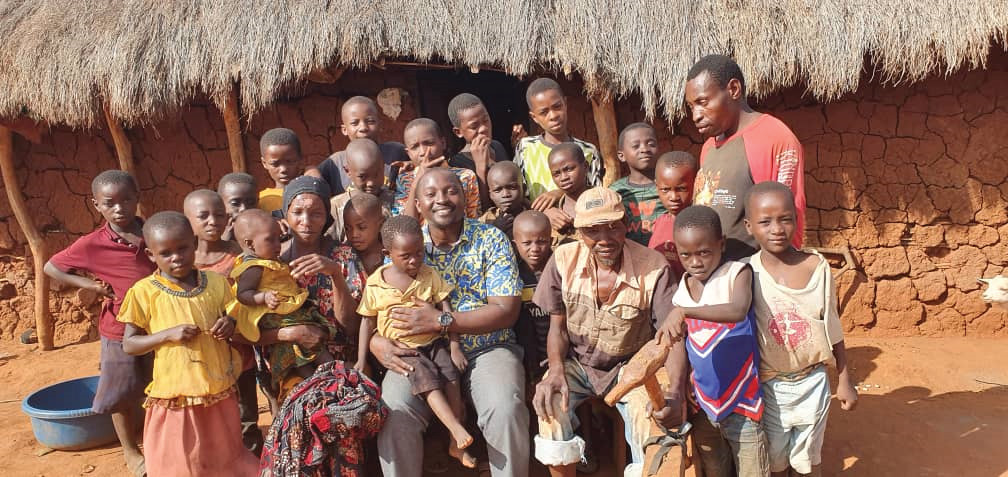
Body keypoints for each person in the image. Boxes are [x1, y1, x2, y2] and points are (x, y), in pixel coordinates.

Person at [370, 168, 529, 477]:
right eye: (430, 194)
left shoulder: (490, 239)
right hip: (419, 354)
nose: (441, 199)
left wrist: (442, 321)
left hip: (487, 347)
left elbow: (506, 310)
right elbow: (381, 307)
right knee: (394, 410)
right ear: (418, 204)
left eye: (451, 191)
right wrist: (377, 341)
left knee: (505, 409)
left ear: (466, 198)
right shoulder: (405, 244)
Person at [530, 186, 687, 477]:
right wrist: (554, 369)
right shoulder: (563, 260)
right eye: (593, 230)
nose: (605, 239)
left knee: (650, 417)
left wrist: (676, 392)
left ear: (626, 225)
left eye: (613, 227)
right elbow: (557, 327)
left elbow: (672, 338)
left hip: (632, 365)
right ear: (579, 231)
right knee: (550, 402)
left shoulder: (653, 267)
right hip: (578, 362)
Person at [117, 211, 259, 476]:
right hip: (176, 394)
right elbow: (129, 343)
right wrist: (166, 335)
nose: (176, 258)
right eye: (166, 253)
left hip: (217, 389)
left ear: (194, 243)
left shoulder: (216, 283)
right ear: (151, 255)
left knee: (223, 459)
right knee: (180, 463)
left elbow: (236, 319)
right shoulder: (144, 292)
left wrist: (229, 324)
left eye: (182, 248)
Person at [43, 170, 155, 477]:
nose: (119, 208)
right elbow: (51, 267)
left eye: (126, 200)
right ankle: (131, 453)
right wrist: (90, 286)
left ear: (137, 198)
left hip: (158, 328)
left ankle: (153, 442)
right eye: (110, 202)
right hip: (118, 330)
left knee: (155, 387)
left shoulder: (153, 232)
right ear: (96, 205)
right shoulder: (92, 244)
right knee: (120, 394)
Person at [743, 181, 857, 477]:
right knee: (777, 461)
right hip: (770, 387)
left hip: (813, 382)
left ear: (796, 219)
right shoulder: (747, 272)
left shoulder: (817, 267)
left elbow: (833, 327)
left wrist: (844, 379)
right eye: (765, 222)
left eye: (785, 219)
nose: (777, 229)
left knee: (808, 461)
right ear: (748, 226)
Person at [657, 204, 769, 477]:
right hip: (703, 404)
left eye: (704, 252)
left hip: (743, 403)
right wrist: (676, 388)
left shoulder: (736, 274)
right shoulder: (682, 290)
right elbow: (678, 346)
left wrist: (685, 312)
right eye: (686, 255)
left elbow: (737, 310)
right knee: (714, 469)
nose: (695, 262)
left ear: (721, 244)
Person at [357, 215, 475, 468]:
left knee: (452, 376)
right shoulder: (377, 284)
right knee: (427, 383)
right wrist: (361, 359)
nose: (414, 260)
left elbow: (446, 306)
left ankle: (456, 442)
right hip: (405, 351)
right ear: (388, 253)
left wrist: (454, 346)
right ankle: (455, 429)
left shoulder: (428, 274)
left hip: (434, 343)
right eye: (406, 256)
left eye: (419, 252)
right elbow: (366, 322)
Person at [685, 54, 806, 260]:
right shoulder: (708, 148)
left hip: (753, 279)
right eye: (691, 106)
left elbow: (789, 218)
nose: (695, 115)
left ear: (733, 89)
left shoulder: (774, 138)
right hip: (714, 280)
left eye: (703, 102)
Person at [183, 189, 262, 454]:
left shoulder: (239, 255)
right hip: (199, 355)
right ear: (188, 220)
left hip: (239, 350)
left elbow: (248, 298)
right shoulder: (182, 261)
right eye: (203, 216)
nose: (212, 221)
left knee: (246, 415)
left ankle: (251, 463)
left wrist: (231, 320)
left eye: (219, 215)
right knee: (209, 419)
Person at [229, 209, 337, 402]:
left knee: (316, 351)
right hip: (280, 320)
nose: (278, 245)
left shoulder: (269, 260)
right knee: (298, 356)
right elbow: (242, 295)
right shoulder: (253, 267)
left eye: (279, 239)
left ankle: (334, 380)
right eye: (270, 240)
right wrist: (263, 297)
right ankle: (324, 386)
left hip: (292, 314)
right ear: (249, 244)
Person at [276, 176, 359, 365]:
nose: (306, 221)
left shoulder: (343, 257)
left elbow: (351, 328)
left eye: (316, 214)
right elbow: (248, 328)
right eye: (297, 212)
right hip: (290, 362)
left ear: (326, 218)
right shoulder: (274, 260)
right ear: (285, 215)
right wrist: (293, 333)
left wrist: (335, 275)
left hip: (342, 362)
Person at [515, 78, 603, 208]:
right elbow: (518, 194)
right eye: (544, 112)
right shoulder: (525, 148)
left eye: (557, 107)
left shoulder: (588, 151)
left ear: (565, 104)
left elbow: (596, 194)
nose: (553, 116)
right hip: (538, 224)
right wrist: (544, 213)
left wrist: (560, 193)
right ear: (534, 117)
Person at [314, 96, 409, 195]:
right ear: (344, 129)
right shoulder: (335, 162)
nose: (363, 128)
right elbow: (309, 182)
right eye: (355, 123)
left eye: (370, 121)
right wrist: (311, 170)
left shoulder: (395, 152)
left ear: (379, 124)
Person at [392, 118, 481, 220]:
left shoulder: (466, 176)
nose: (423, 152)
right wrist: (416, 182)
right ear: (408, 153)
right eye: (415, 147)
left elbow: (474, 219)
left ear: (443, 143)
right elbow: (405, 226)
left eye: (429, 143)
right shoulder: (405, 180)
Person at [447, 93, 511, 207]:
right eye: (474, 126)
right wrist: (481, 167)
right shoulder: (457, 164)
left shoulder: (497, 147)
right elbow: (479, 207)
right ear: (458, 132)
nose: (483, 128)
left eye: (486, 120)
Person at [327, 138, 394, 243]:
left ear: (383, 166)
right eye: (362, 177)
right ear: (348, 171)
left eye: (376, 174)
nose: (371, 183)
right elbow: (329, 244)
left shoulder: (395, 200)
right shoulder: (336, 207)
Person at [511, 210, 552, 379]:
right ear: (515, 245)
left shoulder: (560, 267)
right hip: (528, 349)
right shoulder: (513, 273)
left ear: (552, 240)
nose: (535, 249)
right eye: (527, 243)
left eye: (541, 242)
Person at [610, 122, 665, 245]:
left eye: (651, 144)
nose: (644, 149)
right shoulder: (616, 191)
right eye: (636, 146)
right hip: (631, 257)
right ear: (621, 155)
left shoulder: (668, 186)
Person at [649, 151, 698, 280]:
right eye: (665, 190)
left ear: (696, 184)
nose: (673, 197)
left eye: (681, 189)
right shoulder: (659, 223)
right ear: (657, 187)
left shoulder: (699, 225)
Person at [542, 143, 589, 246]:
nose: (564, 178)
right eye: (556, 174)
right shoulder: (551, 211)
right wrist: (545, 215)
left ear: (585, 166)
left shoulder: (602, 201)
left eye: (569, 169)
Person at [259, 128, 307, 215]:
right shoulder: (261, 200)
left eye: (290, 161)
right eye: (275, 164)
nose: (283, 169)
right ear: (264, 163)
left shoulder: (311, 194)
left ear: (301, 159)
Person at [480, 161, 528, 238]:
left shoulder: (536, 216)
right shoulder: (486, 219)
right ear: (491, 195)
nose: (505, 194)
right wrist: (495, 230)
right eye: (498, 190)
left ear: (524, 189)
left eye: (512, 187)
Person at [217, 172, 259, 242]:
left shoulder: (265, 230)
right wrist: (225, 240)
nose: (244, 209)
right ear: (220, 204)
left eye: (251, 203)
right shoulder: (213, 232)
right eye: (235, 203)